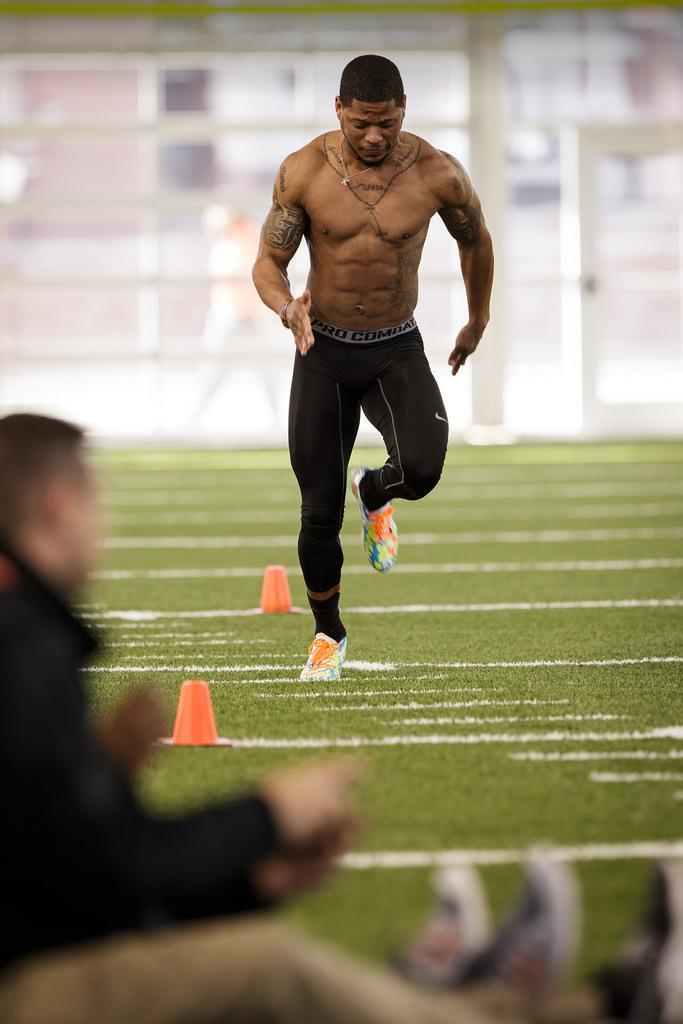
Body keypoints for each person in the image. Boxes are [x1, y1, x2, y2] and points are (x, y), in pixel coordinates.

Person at [0, 412, 678, 1024]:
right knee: (263, 966)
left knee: (257, 962)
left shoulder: (26, 634)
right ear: (59, 509)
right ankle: (545, 1005)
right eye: (96, 505)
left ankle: (546, 1001)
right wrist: (265, 815)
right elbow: (100, 872)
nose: (105, 526)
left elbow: (60, 868)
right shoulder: (19, 646)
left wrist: (246, 879)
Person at [252, 53, 494, 682]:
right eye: (361, 122)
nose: (374, 136)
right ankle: (328, 636)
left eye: (386, 122)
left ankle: (377, 490)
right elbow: (266, 263)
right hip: (322, 350)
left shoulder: (438, 172)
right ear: (339, 110)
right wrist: (286, 308)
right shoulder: (302, 171)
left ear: (403, 112)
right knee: (316, 511)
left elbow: (476, 238)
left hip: (394, 347)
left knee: (422, 468)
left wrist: (477, 318)